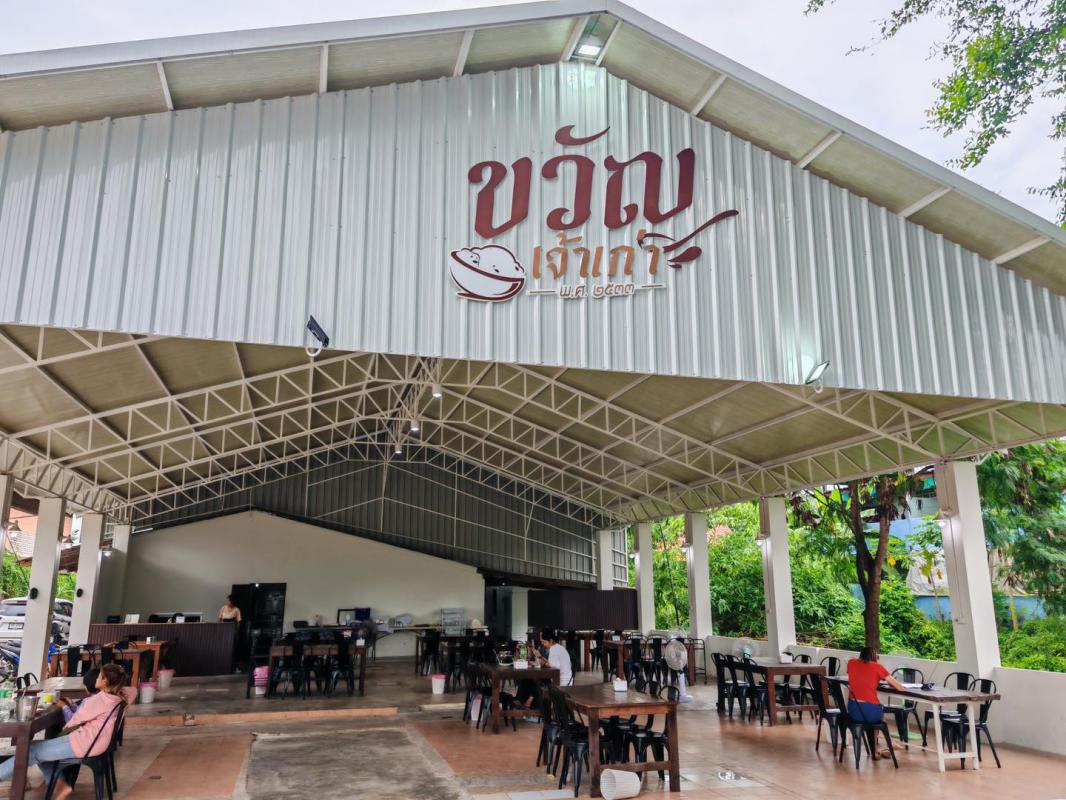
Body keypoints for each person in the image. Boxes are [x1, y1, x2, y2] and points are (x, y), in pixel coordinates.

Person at [0, 663, 128, 799]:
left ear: (105, 681)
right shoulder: (115, 698)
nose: (96, 679)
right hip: (95, 742)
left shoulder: (99, 699)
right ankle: (60, 786)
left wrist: (65, 708)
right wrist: (72, 706)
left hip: (84, 743)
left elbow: (73, 721)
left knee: (30, 750)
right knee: (37, 749)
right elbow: (130, 691)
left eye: (99, 676)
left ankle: (59, 786)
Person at [846, 646, 906, 759]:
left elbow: (861, 673)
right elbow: (900, 688)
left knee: (878, 713)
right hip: (868, 711)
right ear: (875, 657)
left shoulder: (851, 663)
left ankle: (878, 750)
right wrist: (877, 665)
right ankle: (889, 744)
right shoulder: (877, 667)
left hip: (853, 709)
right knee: (878, 715)